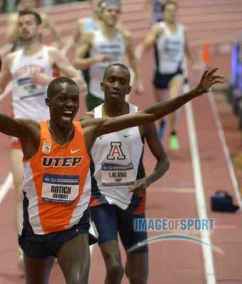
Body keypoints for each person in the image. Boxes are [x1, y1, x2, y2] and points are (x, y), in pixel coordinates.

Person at [0, 43, 222, 284]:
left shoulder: (88, 130)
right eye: (62, 99)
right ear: (48, 102)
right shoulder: (31, 132)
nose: (70, 105)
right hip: (37, 228)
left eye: (74, 100)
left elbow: (150, 115)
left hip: (73, 229)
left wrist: (195, 91)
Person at [0, 9, 86, 269]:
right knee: (20, 192)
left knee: (48, 192)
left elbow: (79, 83)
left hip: (49, 132)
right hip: (21, 133)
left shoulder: (51, 55)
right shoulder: (12, 59)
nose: (24, 27)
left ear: (39, 27)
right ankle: (23, 247)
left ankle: (54, 240)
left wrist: (50, 80)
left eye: (29, 23)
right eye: (20, 23)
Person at [83, 63, 170, 284]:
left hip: (134, 200)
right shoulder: (88, 120)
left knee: (139, 278)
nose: (116, 85)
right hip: (101, 199)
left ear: (129, 89)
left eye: (122, 82)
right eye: (111, 80)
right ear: (102, 85)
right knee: (114, 268)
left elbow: (163, 161)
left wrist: (148, 180)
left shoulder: (142, 119)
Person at [136, 0, 199, 150]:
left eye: (174, 11)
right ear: (163, 13)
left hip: (176, 73)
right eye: (168, 11)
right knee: (161, 106)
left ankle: (173, 132)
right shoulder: (159, 29)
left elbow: (187, 47)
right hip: (160, 75)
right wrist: (139, 52)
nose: (172, 13)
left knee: (173, 102)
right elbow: (146, 43)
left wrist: (194, 62)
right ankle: (163, 122)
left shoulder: (182, 30)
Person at [73, 0, 143, 111]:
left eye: (117, 11)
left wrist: (139, 81)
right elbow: (76, 63)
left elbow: (133, 59)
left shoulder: (125, 36)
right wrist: (93, 59)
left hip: (118, 93)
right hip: (96, 94)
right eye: (109, 10)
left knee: (117, 127)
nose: (113, 13)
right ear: (102, 13)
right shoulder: (90, 36)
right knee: (98, 127)